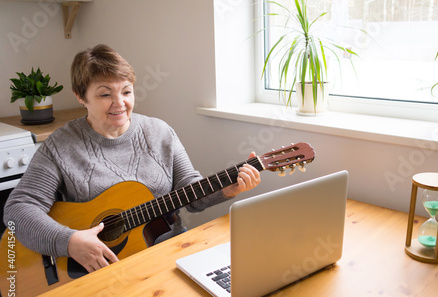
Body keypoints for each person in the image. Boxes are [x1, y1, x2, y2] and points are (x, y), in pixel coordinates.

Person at [3, 44, 261, 273]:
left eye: (126, 92)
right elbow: (17, 209)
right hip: (100, 268)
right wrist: (69, 242)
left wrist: (227, 189)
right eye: (105, 94)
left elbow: (189, 193)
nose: (119, 103)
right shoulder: (61, 145)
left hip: (169, 256)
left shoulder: (160, 132)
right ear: (81, 97)